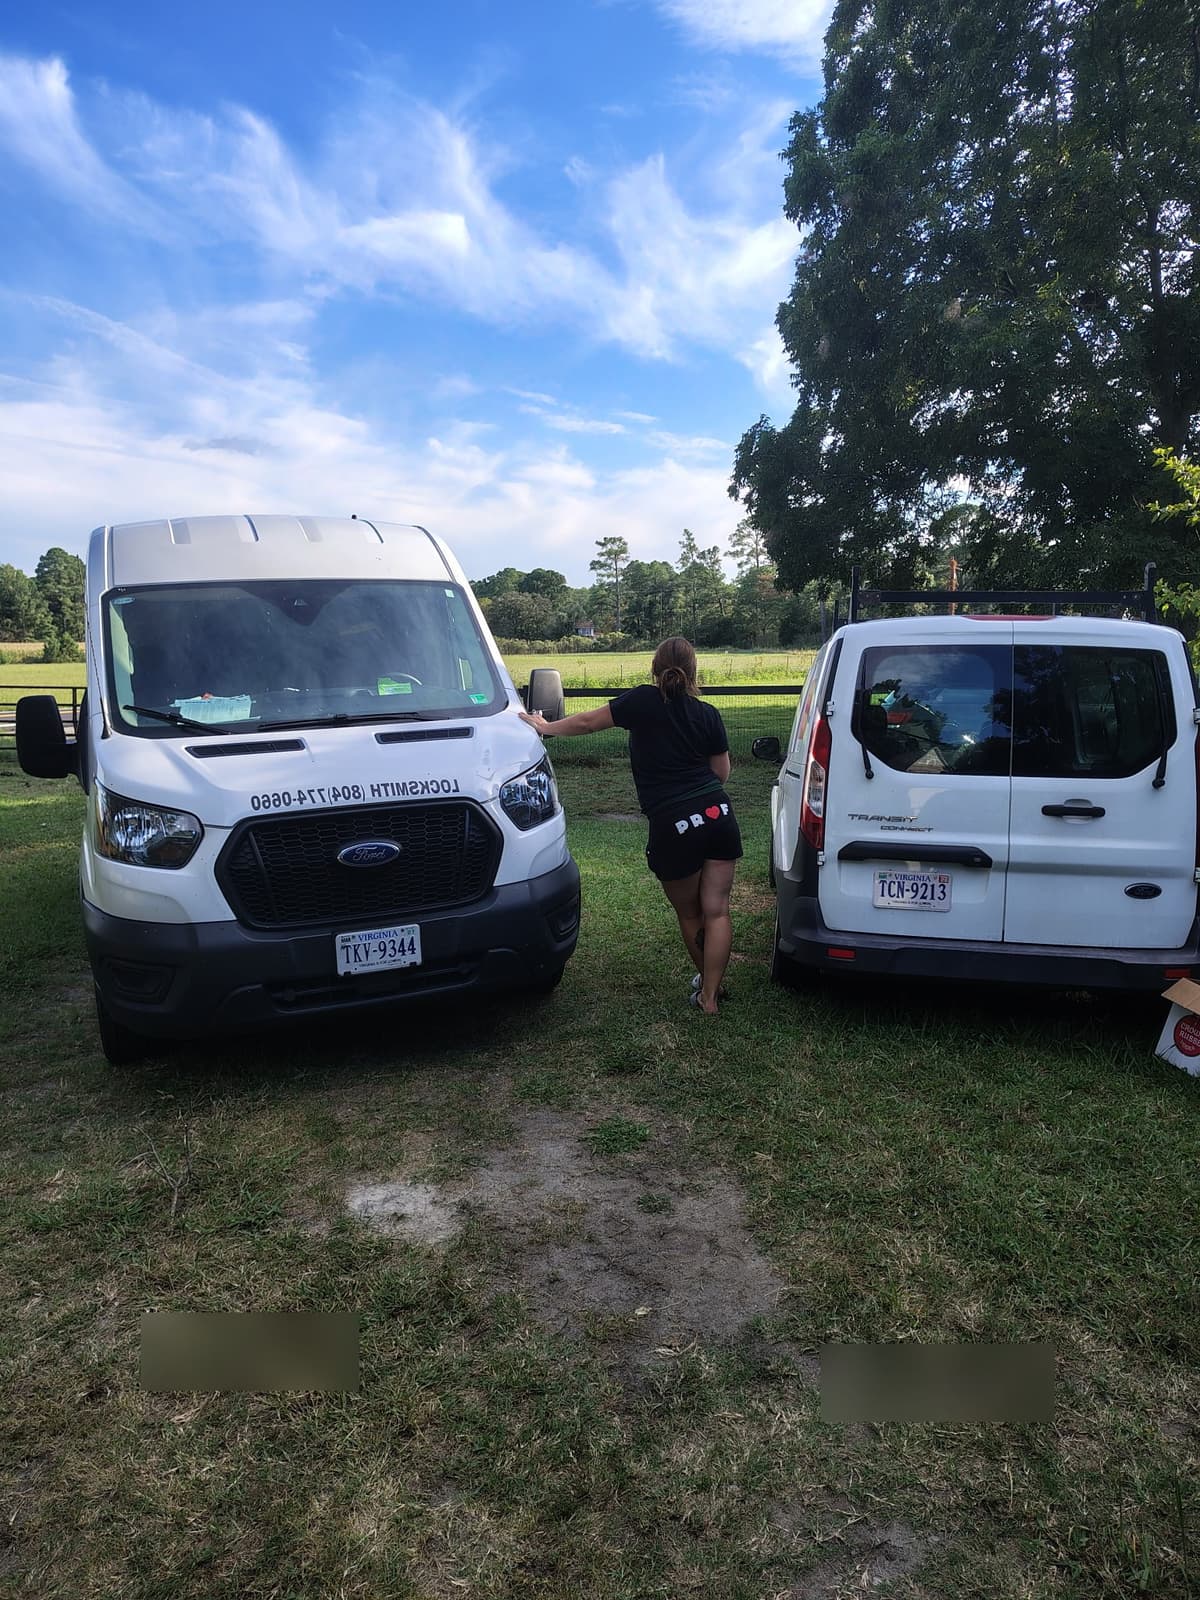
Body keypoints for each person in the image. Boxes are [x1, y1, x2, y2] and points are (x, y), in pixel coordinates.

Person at [519, 637, 742, 1015]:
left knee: (691, 914)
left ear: (655, 669)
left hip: (675, 824)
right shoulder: (708, 714)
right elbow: (721, 772)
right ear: (694, 671)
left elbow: (589, 722)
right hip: (719, 815)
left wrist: (546, 726)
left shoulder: (642, 700)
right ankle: (711, 992)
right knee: (716, 911)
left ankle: (708, 995)